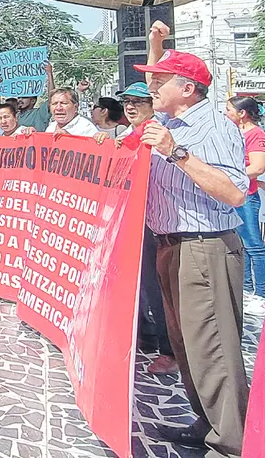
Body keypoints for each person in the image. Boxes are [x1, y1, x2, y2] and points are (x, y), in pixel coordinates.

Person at [136, 22, 250, 457]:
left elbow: (234, 193)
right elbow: (154, 77)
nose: (152, 87)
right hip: (172, 245)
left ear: (187, 89)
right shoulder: (171, 121)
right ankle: (207, 422)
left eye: (160, 81)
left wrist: (176, 153)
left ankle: (231, 441)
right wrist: (156, 45)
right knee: (188, 344)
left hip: (205, 245)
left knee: (213, 347)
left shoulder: (212, 127)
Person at [97, 81, 178, 376]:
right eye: (127, 102)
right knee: (137, 282)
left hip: (156, 222)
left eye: (138, 102)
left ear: (152, 105)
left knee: (157, 289)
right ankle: (146, 335)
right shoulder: (128, 135)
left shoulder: (158, 132)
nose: (131, 107)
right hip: (131, 218)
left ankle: (169, 351)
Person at [225, 96, 265, 310]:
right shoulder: (234, 133)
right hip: (231, 194)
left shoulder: (257, 135)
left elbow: (258, 167)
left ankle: (261, 294)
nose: (225, 114)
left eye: (228, 110)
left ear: (242, 113)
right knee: (240, 245)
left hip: (246, 196)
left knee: (254, 246)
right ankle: (245, 290)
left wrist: (226, 176)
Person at [15, 62, 56, 132]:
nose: (20, 100)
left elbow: (52, 98)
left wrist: (49, 74)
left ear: (33, 101)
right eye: (19, 97)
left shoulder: (39, 113)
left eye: (24, 97)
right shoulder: (16, 116)